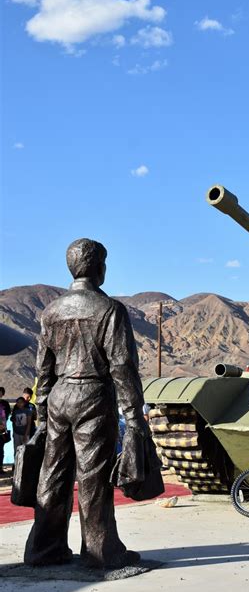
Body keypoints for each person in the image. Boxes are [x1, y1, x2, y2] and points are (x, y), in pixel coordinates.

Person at [24, 238, 149, 569]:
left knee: (52, 474)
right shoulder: (109, 310)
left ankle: (43, 548)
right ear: (99, 269)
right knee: (93, 476)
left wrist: (41, 416)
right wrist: (135, 419)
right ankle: (100, 550)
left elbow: (43, 369)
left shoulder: (51, 312)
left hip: (58, 398)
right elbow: (122, 367)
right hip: (92, 395)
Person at [0, 387, 11, 473]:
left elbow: (7, 415)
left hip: (2, 429)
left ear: (3, 394)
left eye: (1, 392)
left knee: (1, 449)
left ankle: (0, 468)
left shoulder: (5, 403)